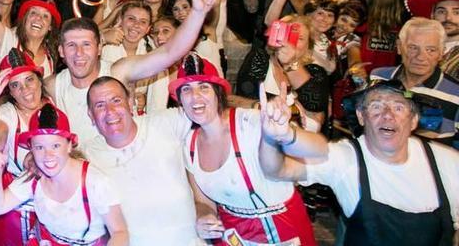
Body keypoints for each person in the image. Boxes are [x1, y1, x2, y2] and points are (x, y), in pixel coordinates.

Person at [259, 78, 459, 245]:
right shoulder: (344, 158)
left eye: (398, 107)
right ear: (361, 117)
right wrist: (273, 137)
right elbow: (278, 170)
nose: (388, 115)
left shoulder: (447, 161)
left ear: (414, 120)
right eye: (376, 106)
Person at [45, 0, 216, 146]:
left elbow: (170, 52)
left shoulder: (118, 71)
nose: (79, 53)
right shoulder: (51, 85)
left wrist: (197, 12)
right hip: (82, 166)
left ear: (98, 48)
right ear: (61, 51)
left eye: (87, 45)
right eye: (72, 45)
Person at [169, 56, 318, 245]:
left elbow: (300, 153)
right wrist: (203, 217)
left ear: (218, 93)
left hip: (282, 228)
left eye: (204, 87)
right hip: (233, 235)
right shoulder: (188, 145)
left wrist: (286, 129)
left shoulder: (250, 122)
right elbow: (203, 202)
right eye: (186, 89)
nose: (195, 96)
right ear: (180, 99)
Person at [0, 103, 129, 246]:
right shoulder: (34, 176)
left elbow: (119, 232)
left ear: (69, 146)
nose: (48, 155)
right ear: (31, 149)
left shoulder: (95, 182)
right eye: (39, 147)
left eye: (55, 146)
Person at [82, 76, 198, 245]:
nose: (110, 110)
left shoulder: (165, 123)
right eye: (100, 105)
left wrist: (251, 108)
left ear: (130, 103)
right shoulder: (87, 156)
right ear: (90, 115)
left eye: (116, 100)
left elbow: (210, 109)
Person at [0, 48, 48, 245]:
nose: (25, 89)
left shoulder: (53, 106)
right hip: (16, 213)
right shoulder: (7, 114)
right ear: (9, 92)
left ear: (39, 80)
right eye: (15, 85)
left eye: (29, 79)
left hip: (50, 209)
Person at [406, 0, 459, 79]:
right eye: (441, 11)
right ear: (432, 15)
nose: (448, 18)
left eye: (456, 12)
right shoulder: (416, 47)